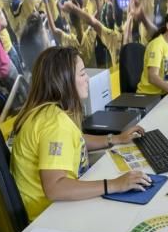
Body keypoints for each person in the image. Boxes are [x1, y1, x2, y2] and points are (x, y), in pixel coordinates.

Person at [11, 47, 149, 222]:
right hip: (49, 215)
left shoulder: (45, 112)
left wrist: (115, 139)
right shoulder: (55, 124)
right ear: (64, 81)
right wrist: (114, 184)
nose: (88, 79)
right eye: (83, 74)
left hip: (52, 206)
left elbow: (76, 140)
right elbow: (55, 187)